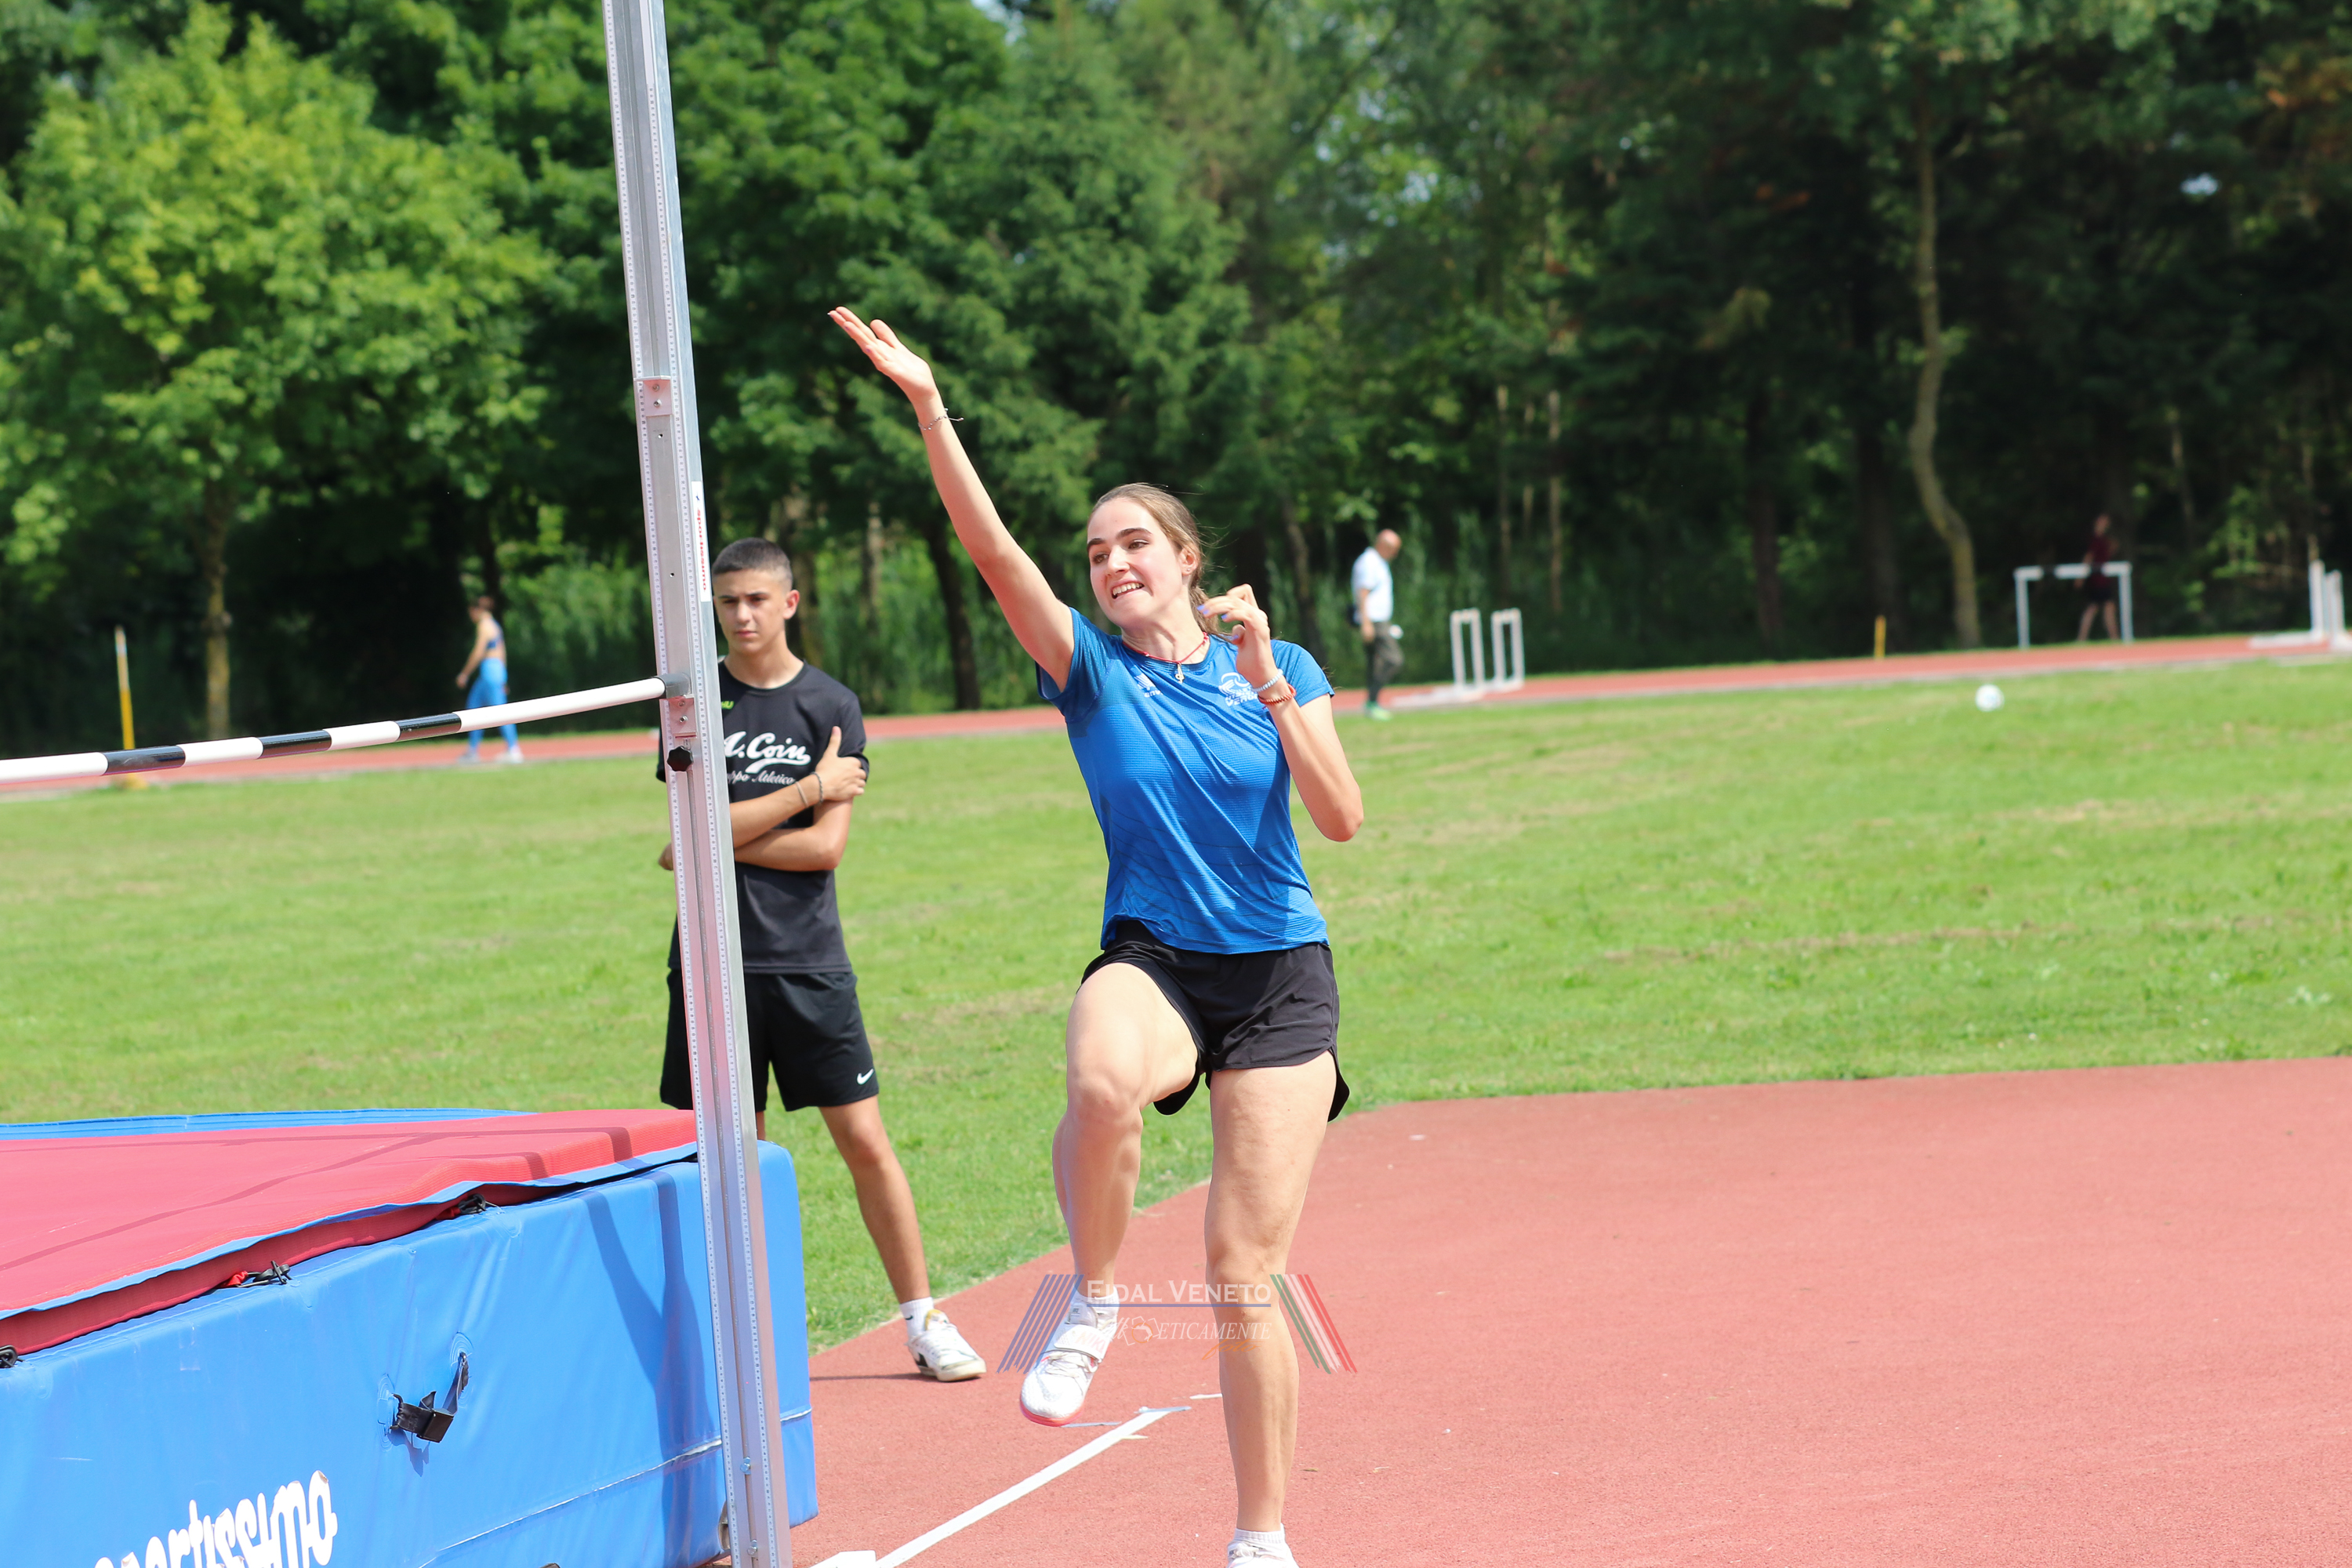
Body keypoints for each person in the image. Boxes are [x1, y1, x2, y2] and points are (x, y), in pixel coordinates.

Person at [830, 306, 1366, 1568]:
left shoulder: (1277, 663)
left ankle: (1261, 1539)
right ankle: (1096, 1298)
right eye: (1097, 549)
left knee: (1242, 1276)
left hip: (1282, 979)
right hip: (1157, 958)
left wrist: (1268, 676)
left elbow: (1341, 817)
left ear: (1186, 560)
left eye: (1135, 542)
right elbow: (991, 550)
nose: (1112, 560)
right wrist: (929, 406)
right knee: (1101, 1073)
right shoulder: (1089, 669)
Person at [655, 536, 985, 1385]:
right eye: (728, 602)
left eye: (757, 599)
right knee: (734, 1157)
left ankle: (924, 1318)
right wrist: (806, 792)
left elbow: (824, 850)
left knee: (865, 1140)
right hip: (712, 965)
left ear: (790, 603)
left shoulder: (831, 705)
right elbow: (682, 843)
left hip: (808, 963)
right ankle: (750, 1341)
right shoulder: (692, 705)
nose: (741, 615)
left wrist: (724, 833)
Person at [455, 596, 522, 763]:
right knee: (474, 707)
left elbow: (478, 652)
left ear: (477, 610)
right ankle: (472, 750)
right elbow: (502, 653)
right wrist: (504, 678)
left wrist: (465, 674)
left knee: (499, 711)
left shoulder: (484, 626)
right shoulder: (495, 625)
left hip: (489, 670)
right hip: (496, 670)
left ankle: (513, 749)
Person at [1350, 529, 1403, 720]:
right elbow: (1363, 592)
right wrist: (1366, 623)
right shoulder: (1370, 562)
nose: (1395, 554)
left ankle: (1372, 703)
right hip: (1374, 621)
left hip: (1378, 620)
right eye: (1393, 549)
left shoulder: (1378, 562)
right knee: (1394, 659)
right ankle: (1372, 699)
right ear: (1382, 545)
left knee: (1375, 662)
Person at [2075, 513, 2120, 641]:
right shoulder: (2095, 539)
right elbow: (2089, 558)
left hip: (2102, 578)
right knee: (2103, 607)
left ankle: (2082, 638)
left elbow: (2108, 552)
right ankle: (2114, 638)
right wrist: (2081, 577)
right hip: (2098, 579)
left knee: (2098, 607)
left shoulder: (2103, 539)